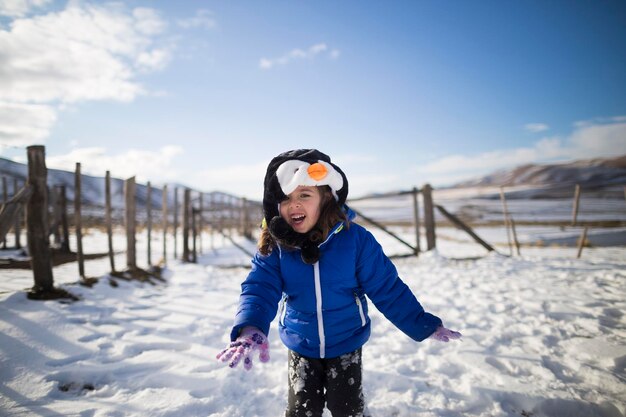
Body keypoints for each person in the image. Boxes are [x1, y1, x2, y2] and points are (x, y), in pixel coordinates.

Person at [217, 149, 461, 417]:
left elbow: (387, 288)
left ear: (326, 199)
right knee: (301, 410)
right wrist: (250, 325)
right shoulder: (278, 247)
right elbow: (259, 287)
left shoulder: (356, 241)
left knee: (347, 409)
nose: (293, 205)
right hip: (301, 343)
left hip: (346, 341)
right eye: (285, 199)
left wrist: (422, 324)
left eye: (304, 196)